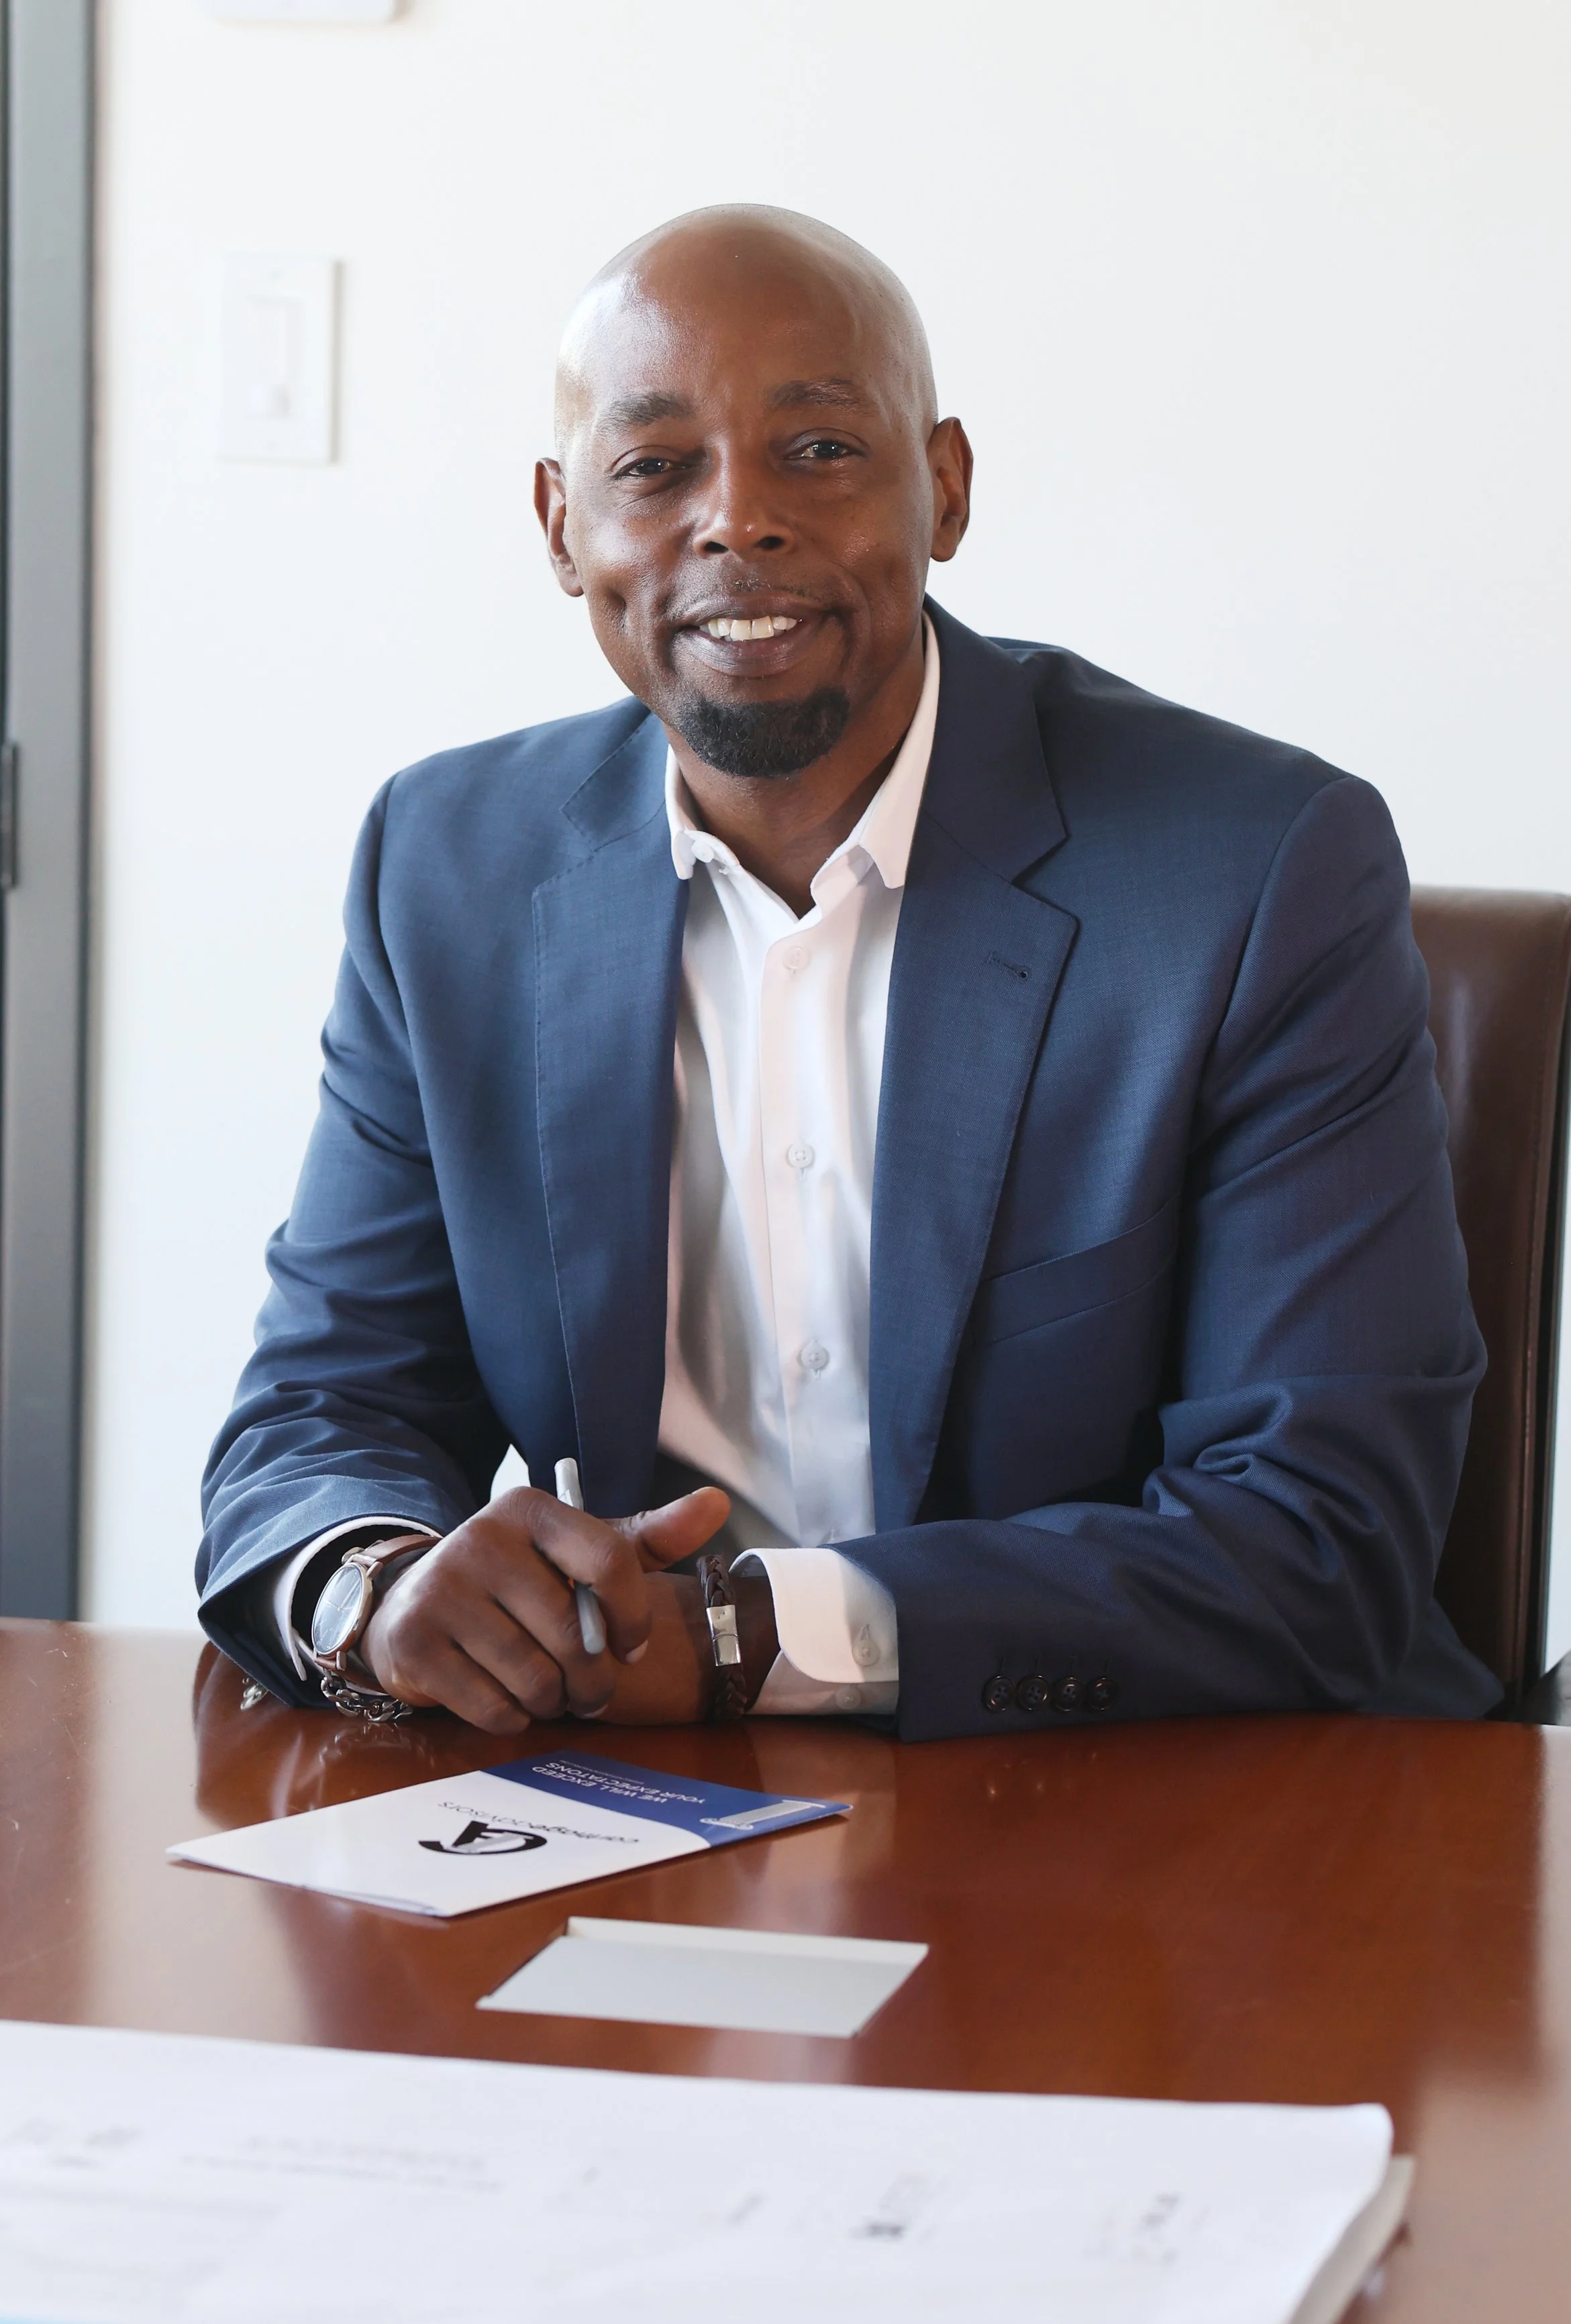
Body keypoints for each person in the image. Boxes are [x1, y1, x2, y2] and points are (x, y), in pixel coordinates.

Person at [199, 203, 1499, 1742]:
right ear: (560, 526)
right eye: (653, 465)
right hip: (629, 1811)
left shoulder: (1253, 870)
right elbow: (325, 1404)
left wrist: (747, 1643)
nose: (736, 519)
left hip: (1148, 1820)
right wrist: (379, 1587)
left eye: (818, 450)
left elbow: (1312, 1534)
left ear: (942, 490)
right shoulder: (448, 866)